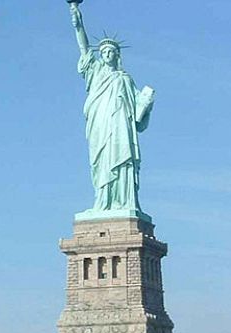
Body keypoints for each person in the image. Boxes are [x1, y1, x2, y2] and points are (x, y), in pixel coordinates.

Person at [69, 2, 154, 214]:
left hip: (120, 126)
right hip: (99, 122)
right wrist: (77, 20)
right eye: (104, 51)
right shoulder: (95, 71)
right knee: (101, 161)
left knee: (122, 159)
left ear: (117, 55)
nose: (107, 54)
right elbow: (84, 47)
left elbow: (138, 108)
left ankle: (124, 202)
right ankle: (102, 201)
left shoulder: (125, 79)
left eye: (111, 51)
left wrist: (146, 102)